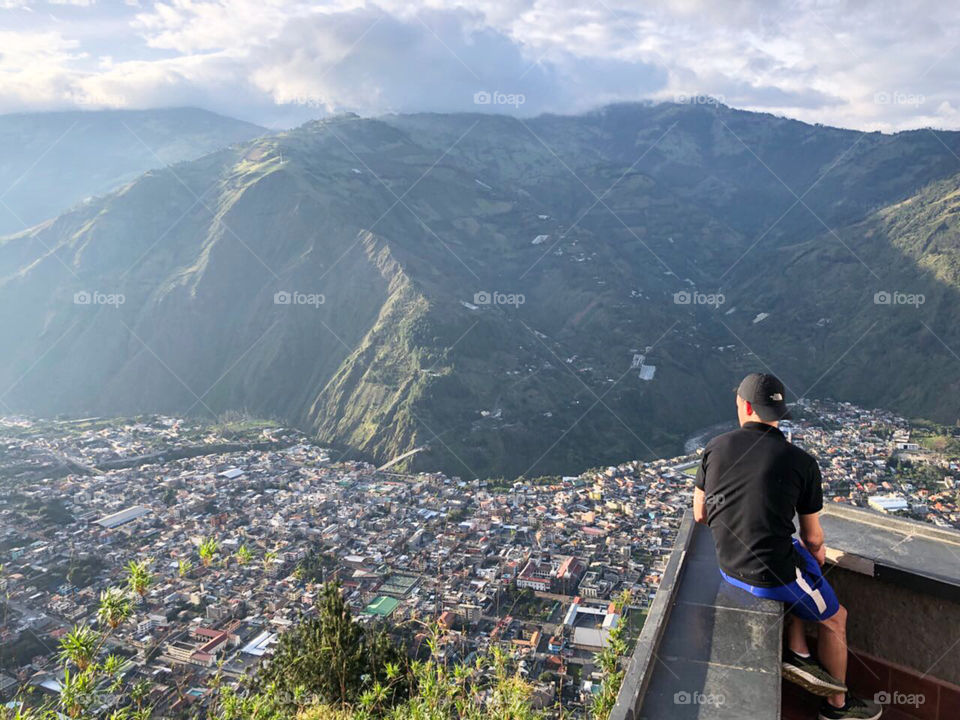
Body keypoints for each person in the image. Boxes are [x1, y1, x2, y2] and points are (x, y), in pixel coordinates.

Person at [693, 372, 881, 720]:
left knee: (800, 566)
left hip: (728, 568)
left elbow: (700, 513)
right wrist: (817, 554)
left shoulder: (714, 447)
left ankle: (799, 650)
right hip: (769, 576)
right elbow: (813, 538)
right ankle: (837, 707)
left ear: (746, 406)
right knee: (837, 617)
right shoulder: (802, 462)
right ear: (778, 414)